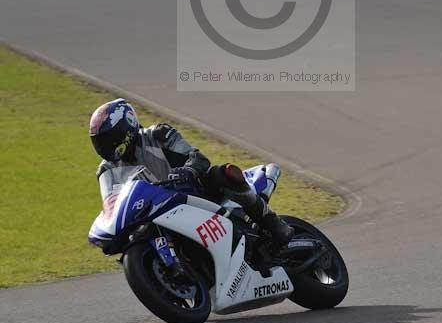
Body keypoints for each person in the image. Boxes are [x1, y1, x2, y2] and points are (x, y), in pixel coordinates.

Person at [89, 98, 294, 247]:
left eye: (110, 138)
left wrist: (187, 170)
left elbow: (198, 158)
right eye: (100, 141)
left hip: (192, 191)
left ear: (128, 125)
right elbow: (111, 205)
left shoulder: (158, 134)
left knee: (223, 173)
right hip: (154, 211)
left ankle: (274, 224)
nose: (105, 146)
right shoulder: (106, 170)